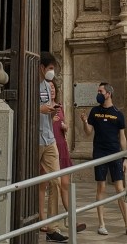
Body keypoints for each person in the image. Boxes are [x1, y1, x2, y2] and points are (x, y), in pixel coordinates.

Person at [79, 83, 127, 236]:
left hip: (115, 154)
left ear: (108, 93)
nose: (98, 93)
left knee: (120, 189)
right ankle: (101, 224)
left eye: (100, 91)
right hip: (99, 153)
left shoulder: (118, 114)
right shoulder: (95, 111)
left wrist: (124, 157)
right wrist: (84, 121)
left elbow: (122, 137)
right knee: (101, 188)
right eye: (98, 91)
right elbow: (88, 132)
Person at [50, 81, 86, 231]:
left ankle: (73, 220)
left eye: (53, 88)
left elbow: (63, 125)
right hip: (50, 149)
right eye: (49, 88)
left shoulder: (59, 107)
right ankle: (47, 222)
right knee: (52, 186)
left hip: (62, 148)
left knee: (65, 184)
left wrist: (65, 127)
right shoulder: (43, 108)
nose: (52, 90)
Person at [39, 52, 68, 243]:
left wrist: (52, 111)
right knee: (30, 182)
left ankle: (52, 227)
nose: (52, 72)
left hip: (49, 138)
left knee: (56, 181)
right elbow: (21, 106)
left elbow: (47, 109)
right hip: (33, 138)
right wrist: (39, 109)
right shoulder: (28, 83)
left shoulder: (48, 87)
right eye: (50, 68)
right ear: (41, 67)